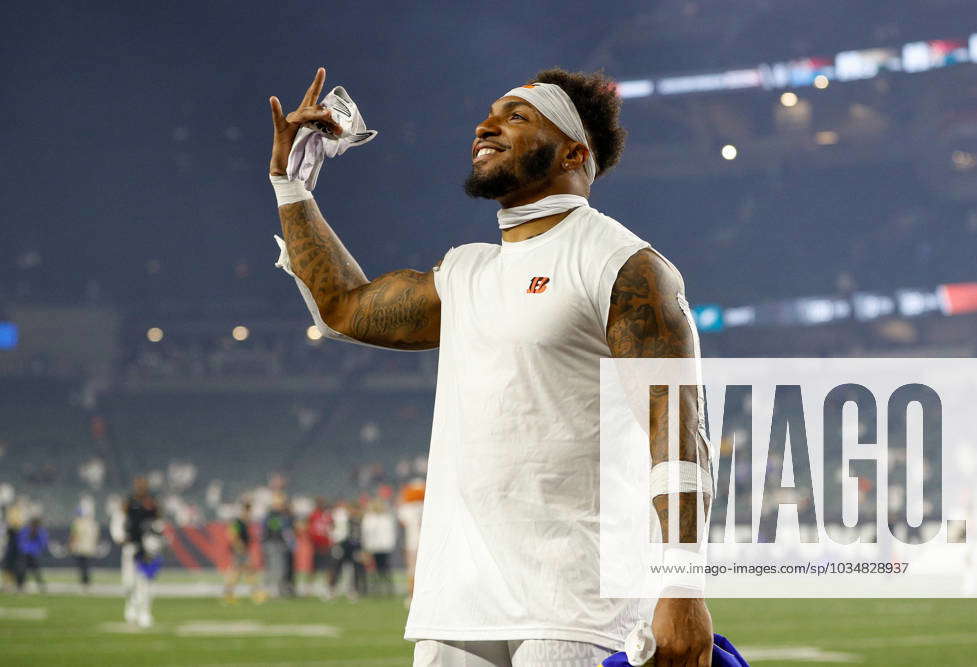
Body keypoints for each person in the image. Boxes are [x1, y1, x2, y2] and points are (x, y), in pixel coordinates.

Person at [269, 67, 713, 666]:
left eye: (517, 116)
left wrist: (683, 585)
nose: (486, 126)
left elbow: (679, 435)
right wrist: (292, 186)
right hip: (459, 601)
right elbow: (344, 306)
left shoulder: (624, 264)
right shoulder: (465, 272)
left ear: (574, 152)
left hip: (578, 606)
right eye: (489, 115)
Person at [122, 476, 162, 628]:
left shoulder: (152, 501)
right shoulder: (129, 501)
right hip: (131, 545)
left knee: (146, 581)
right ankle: (131, 604)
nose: (140, 487)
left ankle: (145, 612)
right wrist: (121, 535)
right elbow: (122, 518)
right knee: (129, 582)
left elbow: (158, 521)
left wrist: (155, 541)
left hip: (148, 547)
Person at [224, 502, 263, 603]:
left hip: (242, 549)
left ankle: (229, 594)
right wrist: (238, 546)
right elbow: (232, 534)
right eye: (249, 512)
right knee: (244, 571)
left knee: (240, 572)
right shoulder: (238, 522)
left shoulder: (244, 523)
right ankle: (255, 593)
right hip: (239, 550)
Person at [361, 499, 397, 596]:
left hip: (382, 547)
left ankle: (387, 589)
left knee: (383, 568)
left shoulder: (385, 518)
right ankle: (377, 589)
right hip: (375, 547)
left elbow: (390, 533)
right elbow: (366, 534)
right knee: (376, 569)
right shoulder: (370, 518)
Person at [261, 494, 294, 598]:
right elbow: (276, 530)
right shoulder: (272, 516)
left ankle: (279, 590)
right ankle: (272, 590)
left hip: (281, 544)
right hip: (273, 544)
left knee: (282, 569)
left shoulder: (283, 515)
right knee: (275, 569)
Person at [306, 497, 334, 599]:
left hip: (326, 546)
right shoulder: (313, 515)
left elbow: (332, 526)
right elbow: (309, 528)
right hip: (316, 546)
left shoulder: (327, 515)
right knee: (314, 568)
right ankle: (309, 589)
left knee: (328, 569)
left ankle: (328, 589)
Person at [69, 503, 100, 591]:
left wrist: (72, 544)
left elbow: (75, 535)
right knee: (86, 566)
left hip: (80, 547)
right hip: (89, 547)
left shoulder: (78, 522)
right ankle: (86, 582)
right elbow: (96, 536)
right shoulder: (93, 523)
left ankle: (84, 582)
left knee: (82, 566)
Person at [16, 517, 47, 592]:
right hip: (26, 553)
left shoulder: (40, 531)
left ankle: (40, 586)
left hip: (33, 553)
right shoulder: (26, 530)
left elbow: (43, 542)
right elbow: (20, 540)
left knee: (36, 571)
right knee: (22, 570)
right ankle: (20, 586)